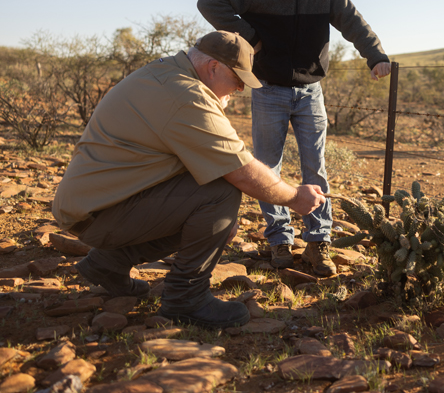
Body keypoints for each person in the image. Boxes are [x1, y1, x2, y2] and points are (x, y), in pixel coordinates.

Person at [53, 31, 325, 329]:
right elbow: (241, 170)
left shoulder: (164, 71)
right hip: (100, 214)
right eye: (237, 81)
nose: (237, 90)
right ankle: (186, 297)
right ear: (213, 67)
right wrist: (295, 197)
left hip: (96, 205)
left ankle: (108, 263)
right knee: (221, 191)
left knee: (216, 215)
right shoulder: (186, 96)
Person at [197, 0, 390, 277]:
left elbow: (354, 23)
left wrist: (375, 55)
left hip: (310, 91)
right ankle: (280, 239)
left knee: (316, 167)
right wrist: (250, 36)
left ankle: (318, 242)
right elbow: (210, 1)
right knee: (267, 167)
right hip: (268, 88)